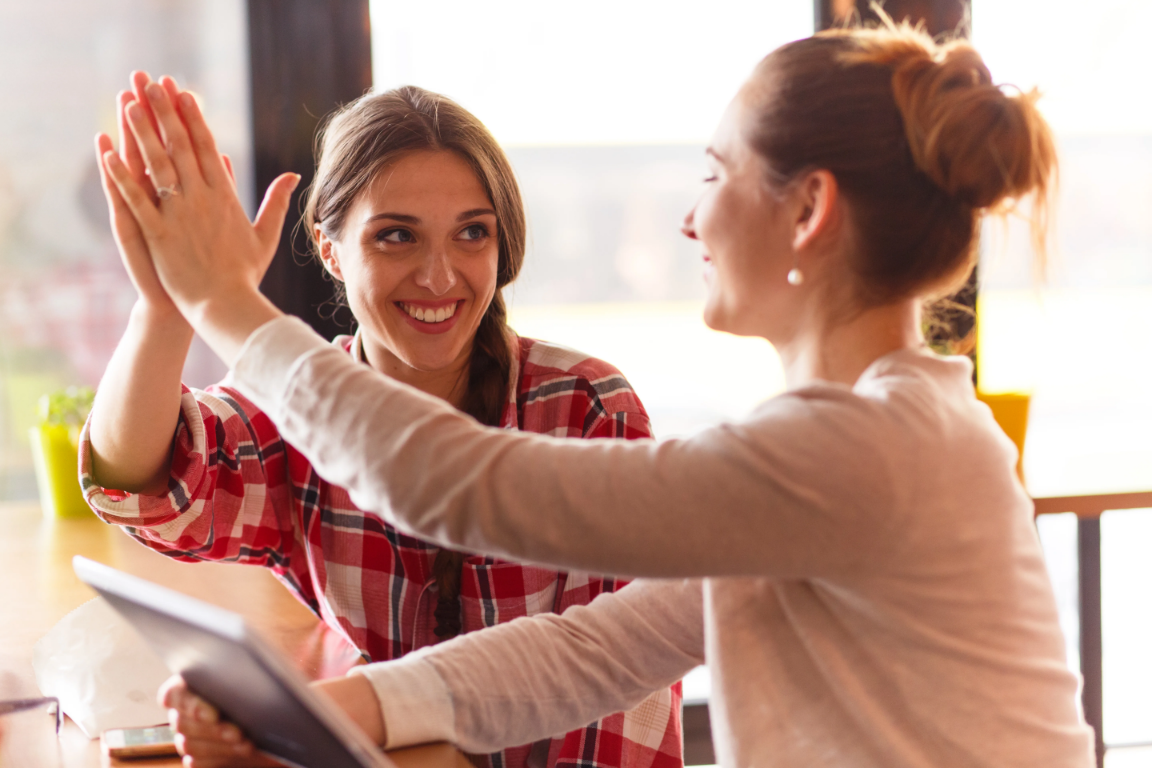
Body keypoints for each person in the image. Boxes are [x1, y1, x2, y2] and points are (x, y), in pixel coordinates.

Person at [99, 18, 1096, 768]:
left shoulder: (868, 453)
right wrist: (319, 712)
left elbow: (456, 485)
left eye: (716, 174)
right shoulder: (847, 445)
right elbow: (582, 657)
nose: (691, 221)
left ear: (808, 210)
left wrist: (225, 303)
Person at [85, 76, 683, 768]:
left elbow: (622, 693)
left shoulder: (585, 405)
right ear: (330, 248)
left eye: (472, 233)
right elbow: (140, 490)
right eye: (397, 236)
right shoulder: (296, 407)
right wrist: (166, 304)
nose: (439, 275)